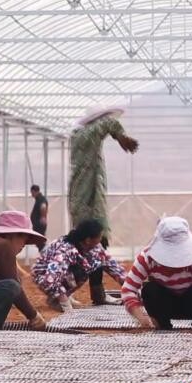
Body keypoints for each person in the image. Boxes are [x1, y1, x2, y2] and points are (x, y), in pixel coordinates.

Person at [68, 105, 137, 303]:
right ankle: (67, 291)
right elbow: (108, 124)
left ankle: (95, 293)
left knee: (96, 246)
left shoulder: (86, 139)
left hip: (89, 202)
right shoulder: (84, 136)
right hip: (86, 204)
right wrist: (120, 136)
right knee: (87, 246)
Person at [121, 216, 192, 331]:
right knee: (150, 289)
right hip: (164, 305)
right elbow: (128, 290)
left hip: (191, 303)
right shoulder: (147, 258)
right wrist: (142, 318)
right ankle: (161, 324)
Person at [31, 219, 125, 312]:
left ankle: (99, 296)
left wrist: (131, 286)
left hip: (56, 274)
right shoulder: (65, 250)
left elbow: (113, 266)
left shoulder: (94, 247)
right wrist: (64, 303)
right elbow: (50, 279)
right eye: (99, 236)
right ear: (88, 240)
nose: (101, 239)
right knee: (81, 272)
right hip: (43, 274)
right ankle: (56, 300)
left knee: (96, 262)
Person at [29, 185, 48, 251]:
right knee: (38, 241)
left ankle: (44, 253)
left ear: (35, 191)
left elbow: (43, 206)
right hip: (37, 225)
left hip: (39, 225)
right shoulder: (38, 199)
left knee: (40, 241)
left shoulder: (41, 199)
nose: (32, 195)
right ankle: (43, 253)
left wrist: (43, 217)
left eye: (32, 193)